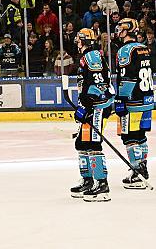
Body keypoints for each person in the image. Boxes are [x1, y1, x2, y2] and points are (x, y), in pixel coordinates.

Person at [70, 28, 114, 202]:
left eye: (79, 40)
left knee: (93, 144)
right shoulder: (87, 56)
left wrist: (87, 106)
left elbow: (98, 84)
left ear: (84, 41)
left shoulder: (92, 56)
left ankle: (102, 184)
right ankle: (88, 180)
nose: (77, 43)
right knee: (81, 143)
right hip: (91, 106)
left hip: (97, 107)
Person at [114, 18, 153, 189]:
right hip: (147, 99)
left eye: (120, 29)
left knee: (129, 137)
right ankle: (142, 168)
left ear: (126, 31)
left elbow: (128, 78)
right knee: (140, 136)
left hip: (133, 101)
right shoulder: (144, 48)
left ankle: (137, 171)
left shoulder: (125, 50)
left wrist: (121, 98)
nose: (118, 32)